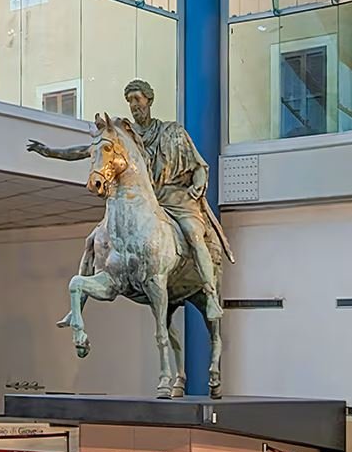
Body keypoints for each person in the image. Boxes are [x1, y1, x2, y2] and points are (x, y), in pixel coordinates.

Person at [27, 78, 226, 320]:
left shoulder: (173, 132)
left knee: (194, 234)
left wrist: (198, 183)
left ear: (149, 100)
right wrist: (51, 152)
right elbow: (89, 150)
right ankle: (77, 308)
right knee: (93, 240)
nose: (133, 105)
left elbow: (198, 166)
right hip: (144, 200)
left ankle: (210, 294)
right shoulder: (125, 137)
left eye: (137, 99)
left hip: (174, 198)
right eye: (129, 100)